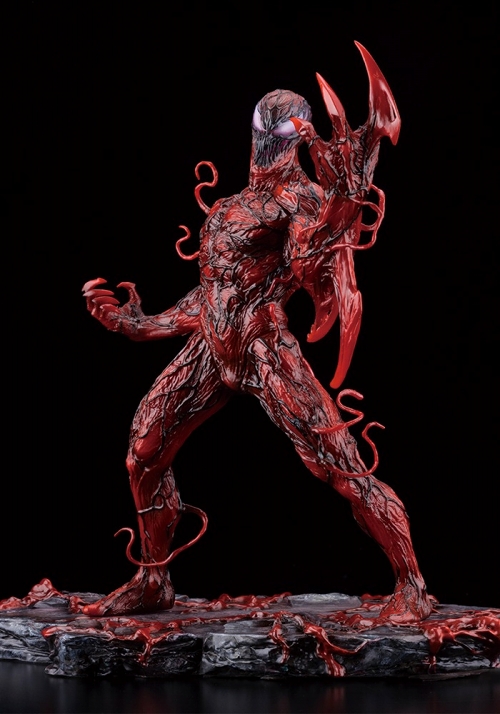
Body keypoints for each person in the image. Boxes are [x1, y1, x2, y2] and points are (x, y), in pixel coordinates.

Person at [83, 45, 432, 623]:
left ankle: (412, 586)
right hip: (210, 346)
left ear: (300, 134)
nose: (269, 137)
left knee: (340, 466)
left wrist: (347, 194)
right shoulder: (227, 207)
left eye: (284, 126)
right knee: (144, 452)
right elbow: (211, 294)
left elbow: (309, 253)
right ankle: (152, 580)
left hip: (261, 346)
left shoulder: (302, 199)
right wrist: (136, 324)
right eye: (266, 125)